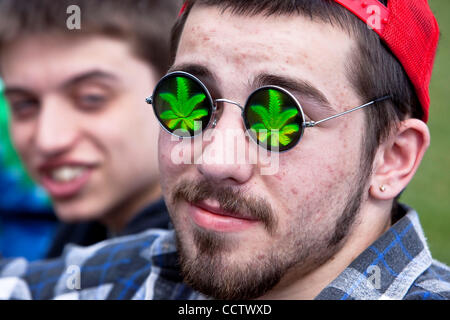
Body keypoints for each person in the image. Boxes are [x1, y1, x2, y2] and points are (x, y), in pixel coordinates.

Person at [0, 0, 449, 300]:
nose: (215, 160)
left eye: (281, 120)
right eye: (188, 102)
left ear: (393, 156)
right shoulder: (126, 277)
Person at [0, 0, 180, 259]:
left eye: (91, 98)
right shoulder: (83, 232)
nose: (48, 140)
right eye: (24, 105)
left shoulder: (185, 260)